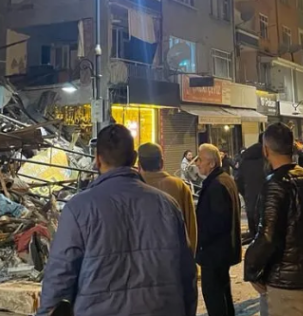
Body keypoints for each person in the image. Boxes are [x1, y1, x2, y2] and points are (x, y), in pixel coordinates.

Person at [38, 124, 197, 316]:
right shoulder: (167, 205)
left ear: (97, 160)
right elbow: (187, 273)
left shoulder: (77, 208)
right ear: (134, 158)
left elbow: (60, 276)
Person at [244, 123, 303, 316]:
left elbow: (267, 236)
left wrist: (251, 269)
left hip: (286, 288)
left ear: (266, 150)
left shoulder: (275, 185)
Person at [196, 143, 242, 316]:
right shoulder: (224, 180)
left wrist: (201, 240)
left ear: (212, 163)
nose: (197, 163)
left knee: (214, 297)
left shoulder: (217, 185)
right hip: (222, 251)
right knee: (223, 294)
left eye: (200, 159)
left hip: (214, 252)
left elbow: (217, 222)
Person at [138, 142, 198, 253]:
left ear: (139, 164)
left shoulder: (132, 188)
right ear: (162, 163)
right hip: (175, 256)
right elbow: (191, 227)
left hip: (141, 259)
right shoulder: (179, 186)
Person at [236, 134, 269, 237]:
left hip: (250, 202)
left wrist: (246, 193)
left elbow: (238, 180)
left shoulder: (246, 159)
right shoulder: (269, 160)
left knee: (254, 236)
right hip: (267, 204)